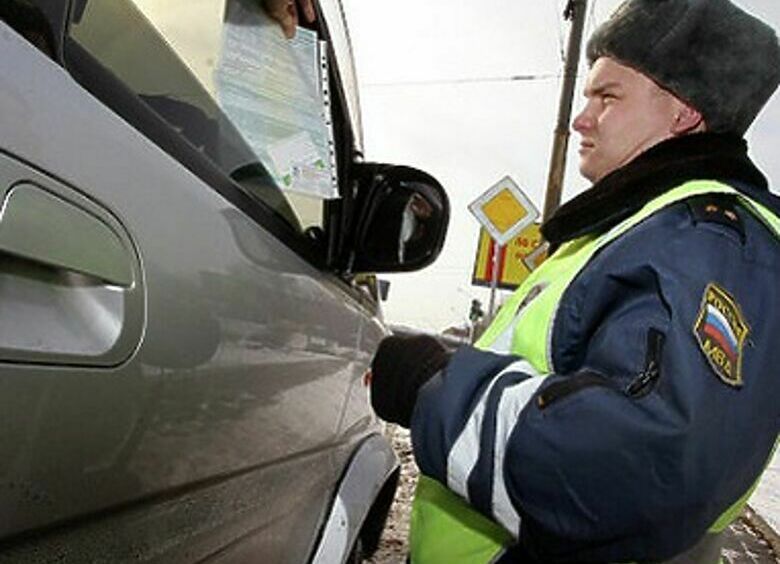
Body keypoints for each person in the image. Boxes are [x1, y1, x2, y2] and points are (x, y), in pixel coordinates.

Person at [369, 0, 780, 562]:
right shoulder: (639, 230)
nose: (580, 120)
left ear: (683, 113)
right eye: (586, 97)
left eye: (607, 97)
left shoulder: (703, 240)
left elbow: (641, 466)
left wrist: (432, 386)